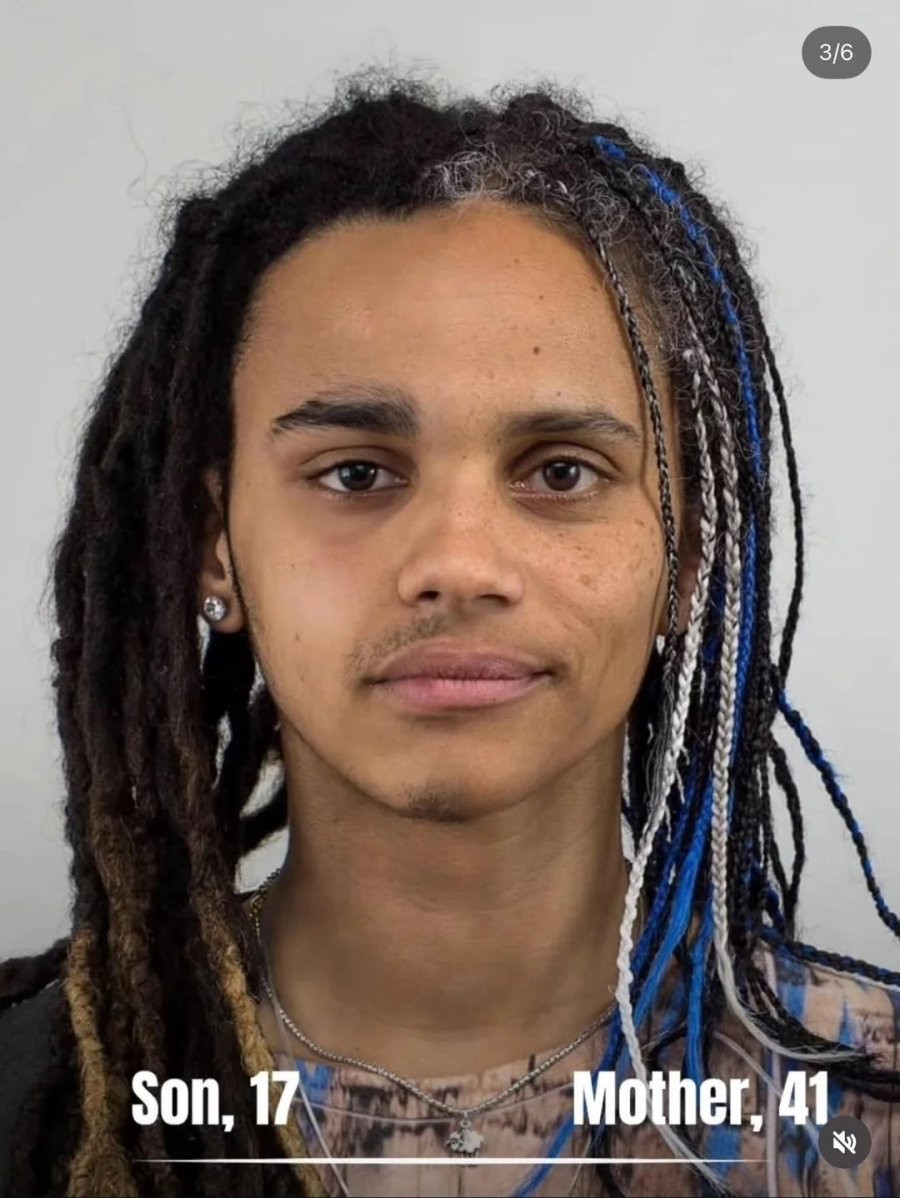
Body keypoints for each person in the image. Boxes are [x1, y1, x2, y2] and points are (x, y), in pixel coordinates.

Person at [0, 73, 897, 1198]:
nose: (461, 564)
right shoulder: (40, 1095)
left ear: (686, 557)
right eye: (356, 473)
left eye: (562, 471)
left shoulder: (870, 1108)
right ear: (213, 548)